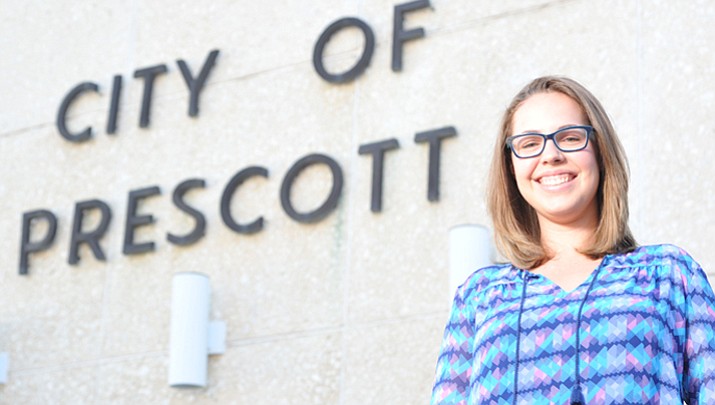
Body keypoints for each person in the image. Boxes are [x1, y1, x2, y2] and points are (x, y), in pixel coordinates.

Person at [431, 76, 715, 404]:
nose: (550, 155)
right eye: (529, 143)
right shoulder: (478, 297)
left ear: (600, 150)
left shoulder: (669, 275)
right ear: (510, 167)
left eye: (569, 137)